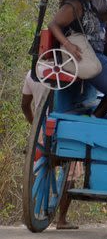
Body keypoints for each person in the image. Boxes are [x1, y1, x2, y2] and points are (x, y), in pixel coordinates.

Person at [21, 71, 79, 229]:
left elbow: (24, 105)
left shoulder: (32, 74)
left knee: (41, 171)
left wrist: (35, 125)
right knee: (70, 173)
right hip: (65, 128)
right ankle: (61, 219)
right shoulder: (70, 72)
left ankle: (31, 211)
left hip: (43, 129)